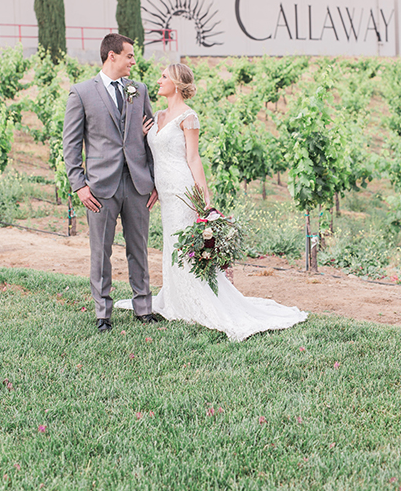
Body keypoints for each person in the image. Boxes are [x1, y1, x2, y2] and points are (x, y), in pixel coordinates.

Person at [116, 63, 307, 342]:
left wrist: (204, 196)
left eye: (164, 77)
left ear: (177, 84)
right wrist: (145, 138)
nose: (158, 81)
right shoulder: (157, 116)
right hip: (165, 191)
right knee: (171, 243)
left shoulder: (188, 117)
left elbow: (193, 158)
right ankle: (175, 298)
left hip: (182, 188)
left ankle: (198, 300)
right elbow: (151, 153)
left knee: (185, 246)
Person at [63, 33, 158, 331]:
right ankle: (102, 313)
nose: (133, 61)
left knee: (139, 248)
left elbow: (151, 138)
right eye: (129, 55)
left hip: (137, 183)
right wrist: (79, 184)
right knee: (101, 251)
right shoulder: (81, 93)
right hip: (100, 187)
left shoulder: (138, 90)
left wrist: (154, 180)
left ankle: (143, 308)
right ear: (111, 56)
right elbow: (71, 144)